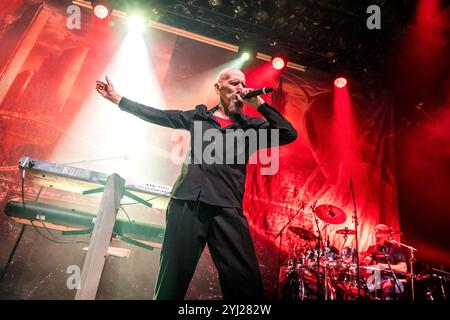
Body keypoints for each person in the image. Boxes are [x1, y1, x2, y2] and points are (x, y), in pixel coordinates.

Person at [95, 68, 297, 300]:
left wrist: (259, 103)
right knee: (172, 278)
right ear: (218, 88)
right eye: (233, 83)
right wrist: (117, 99)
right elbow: (159, 115)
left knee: (246, 283)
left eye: (243, 83)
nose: (240, 87)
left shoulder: (251, 129)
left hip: (226, 208)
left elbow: (288, 133)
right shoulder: (199, 118)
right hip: (188, 204)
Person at [362, 224, 407, 300]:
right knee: (362, 289)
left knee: (388, 287)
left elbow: (404, 268)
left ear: (386, 233)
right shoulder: (371, 248)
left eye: (379, 230)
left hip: (390, 277)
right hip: (374, 277)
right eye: (375, 230)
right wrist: (366, 264)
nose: (376, 231)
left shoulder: (395, 248)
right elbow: (367, 270)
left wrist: (384, 266)